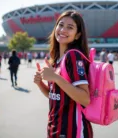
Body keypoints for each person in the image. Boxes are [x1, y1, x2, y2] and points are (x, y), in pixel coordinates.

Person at [34, 10, 93, 138]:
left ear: (77, 35)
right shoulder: (56, 60)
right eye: (60, 25)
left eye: (70, 27)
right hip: (55, 128)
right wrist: (40, 84)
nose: (63, 30)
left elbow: (85, 99)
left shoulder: (73, 56)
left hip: (73, 131)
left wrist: (55, 77)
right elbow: (55, 96)